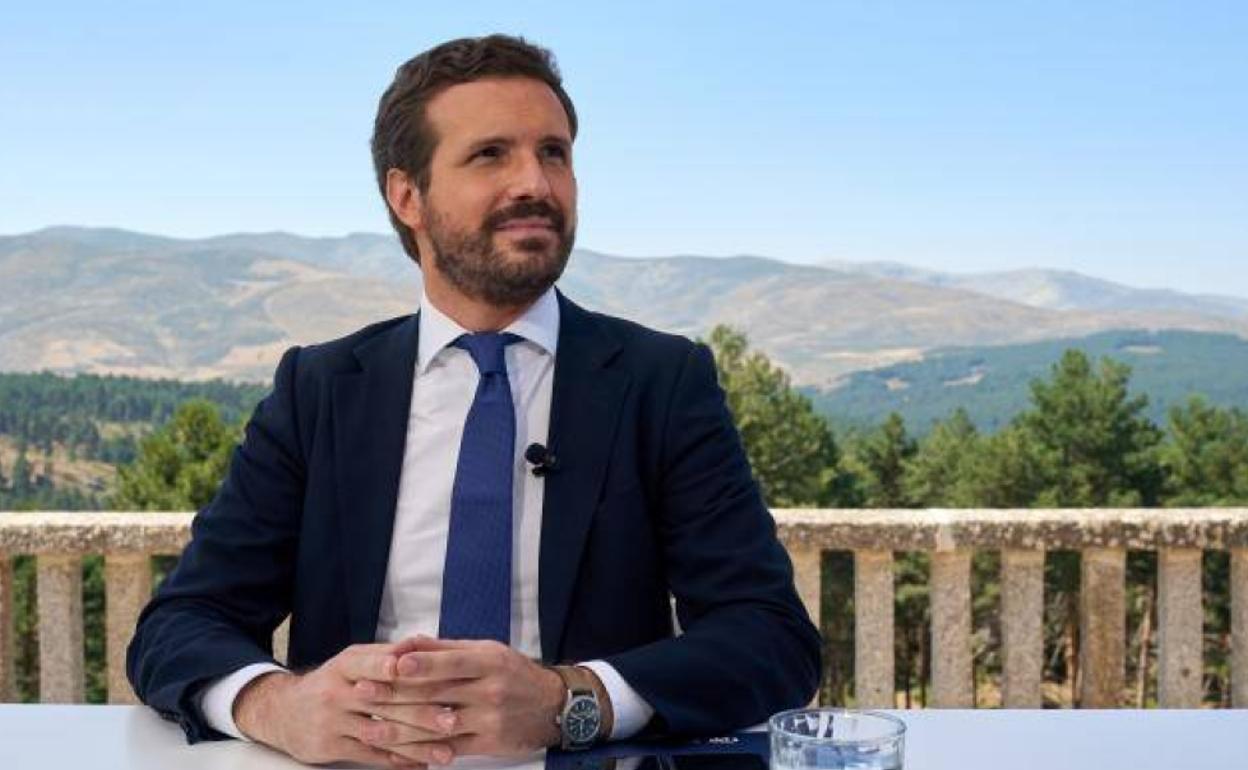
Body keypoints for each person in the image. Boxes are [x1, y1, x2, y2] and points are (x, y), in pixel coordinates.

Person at [127, 34, 821, 769]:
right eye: (491, 154)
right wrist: (280, 706)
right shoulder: (321, 390)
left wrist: (569, 700)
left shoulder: (660, 381)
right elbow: (182, 621)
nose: (536, 182)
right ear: (407, 196)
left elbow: (770, 636)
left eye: (553, 153)